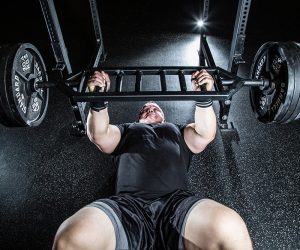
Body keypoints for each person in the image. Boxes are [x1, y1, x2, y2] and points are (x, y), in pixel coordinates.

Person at [52, 70, 253, 250]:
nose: (150, 109)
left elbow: (205, 134)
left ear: (163, 117)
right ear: (139, 117)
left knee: (230, 229)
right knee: (71, 239)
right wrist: (97, 98)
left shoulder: (178, 130)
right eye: (145, 109)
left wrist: (204, 96)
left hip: (177, 205)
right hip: (127, 206)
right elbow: (99, 135)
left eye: (155, 108)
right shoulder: (126, 130)